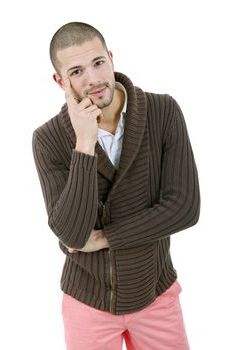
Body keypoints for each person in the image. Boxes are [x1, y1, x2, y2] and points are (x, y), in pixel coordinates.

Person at [32, 21, 200, 350]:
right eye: (76, 71)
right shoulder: (48, 139)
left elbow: (184, 208)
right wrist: (83, 143)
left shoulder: (163, 111)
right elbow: (72, 235)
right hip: (88, 303)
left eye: (98, 63)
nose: (93, 79)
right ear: (60, 81)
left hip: (156, 293)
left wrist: (106, 237)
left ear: (111, 58)